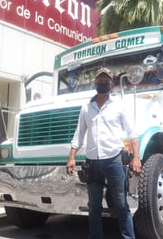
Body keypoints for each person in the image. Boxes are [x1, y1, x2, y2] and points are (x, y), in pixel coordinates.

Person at [66, 67, 142, 239]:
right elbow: (79, 134)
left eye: (106, 81)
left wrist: (136, 158)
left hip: (114, 161)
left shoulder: (119, 106)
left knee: (121, 205)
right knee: (94, 207)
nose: (102, 83)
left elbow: (132, 133)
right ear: (95, 83)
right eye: (99, 81)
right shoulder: (86, 108)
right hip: (92, 163)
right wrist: (71, 157)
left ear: (111, 84)